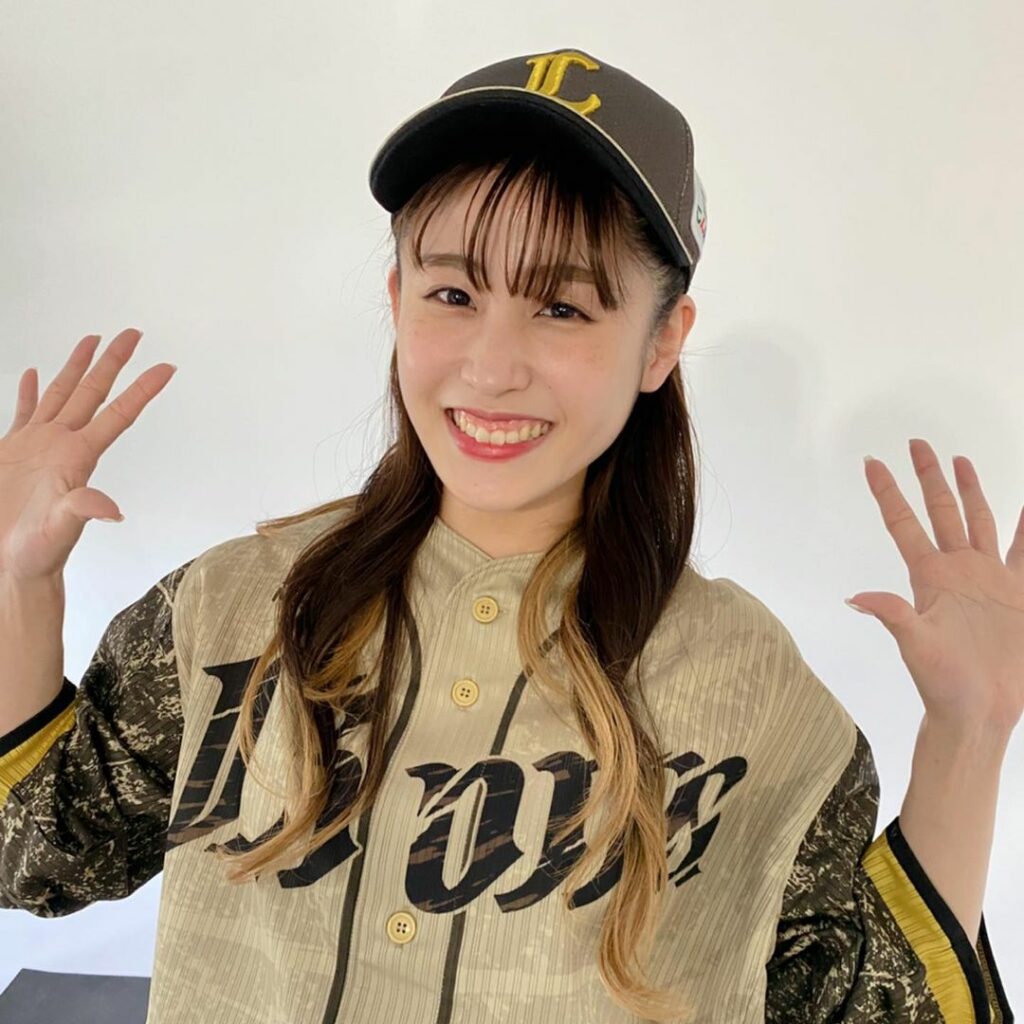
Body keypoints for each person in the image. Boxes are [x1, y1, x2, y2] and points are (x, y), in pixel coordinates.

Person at [0, 46, 1013, 1024]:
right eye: (452, 293)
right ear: (397, 300)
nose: (490, 367)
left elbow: (866, 1004)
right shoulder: (228, 608)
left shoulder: (752, 688)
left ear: (662, 341)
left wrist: (970, 732)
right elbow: (36, 853)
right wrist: (18, 584)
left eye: (562, 307)